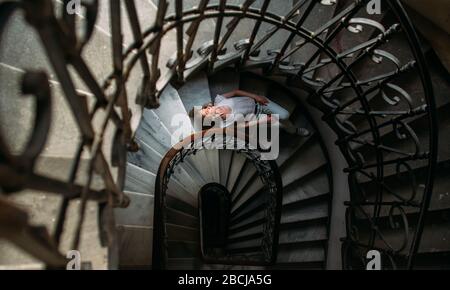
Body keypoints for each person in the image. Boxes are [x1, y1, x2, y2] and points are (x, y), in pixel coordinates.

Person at [189, 89, 310, 136]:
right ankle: (294, 131)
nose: (208, 109)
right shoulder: (224, 124)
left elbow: (236, 92)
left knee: (285, 115)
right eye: (206, 113)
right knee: (279, 123)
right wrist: (263, 120)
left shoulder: (219, 100)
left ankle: (290, 128)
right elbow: (243, 126)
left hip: (259, 103)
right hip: (257, 116)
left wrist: (256, 96)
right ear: (208, 119)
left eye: (205, 108)